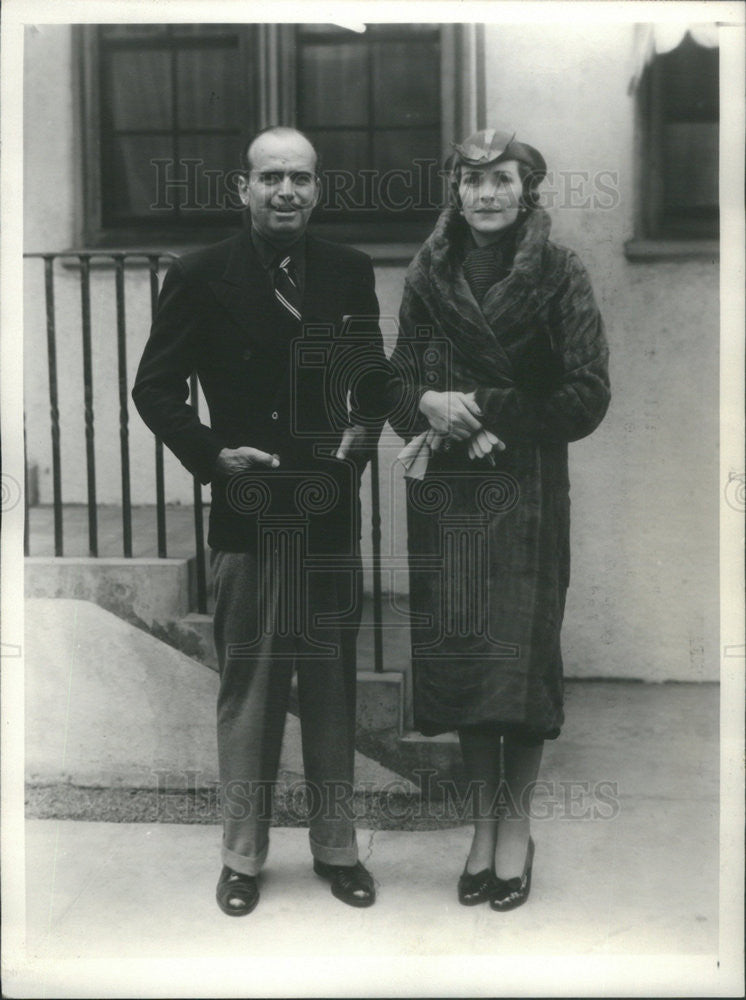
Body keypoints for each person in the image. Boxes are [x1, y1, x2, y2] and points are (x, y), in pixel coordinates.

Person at [133, 126, 392, 914]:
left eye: (301, 178)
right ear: (240, 189)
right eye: (271, 177)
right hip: (248, 512)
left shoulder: (347, 271)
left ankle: (337, 850)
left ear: (318, 189)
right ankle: (242, 858)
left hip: (326, 509)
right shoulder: (201, 274)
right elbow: (156, 388)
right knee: (248, 690)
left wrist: (358, 442)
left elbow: (371, 380)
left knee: (329, 687)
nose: (287, 191)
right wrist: (212, 455)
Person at [389, 127, 610, 910]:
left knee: (517, 667)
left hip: (525, 490)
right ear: (455, 189)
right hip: (449, 492)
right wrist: (423, 401)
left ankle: (515, 831)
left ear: (527, 190)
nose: (486, 193)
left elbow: (587, 396)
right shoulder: (428, 272)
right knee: (464, 662)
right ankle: (480, 830)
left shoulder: (559, 272)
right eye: (471, 179)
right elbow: (400, 376)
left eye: (502, 180)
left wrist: (485, 405)